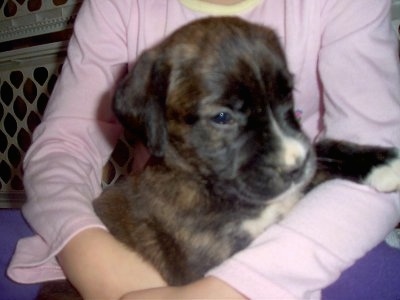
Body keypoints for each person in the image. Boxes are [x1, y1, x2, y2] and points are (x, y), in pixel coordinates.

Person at [6, 0, 400, 299]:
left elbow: (383, 152)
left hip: (313, 228)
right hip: (133, 250)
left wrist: (234, 289)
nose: (292, 154)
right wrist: (91, 256)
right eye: (225, 118)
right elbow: (64, 144)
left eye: (285, 99)